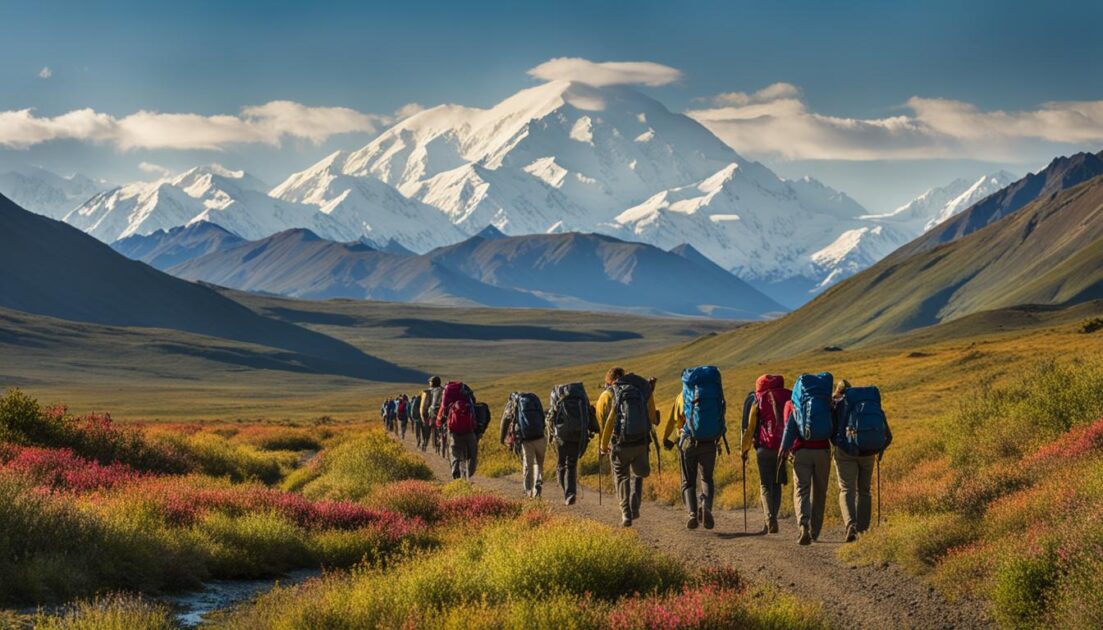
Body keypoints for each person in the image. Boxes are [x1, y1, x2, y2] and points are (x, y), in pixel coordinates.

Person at [661, 366, 725, 531]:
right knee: (707, 478)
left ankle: (692, 514)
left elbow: (671, 420)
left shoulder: (682, 397)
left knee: (688, 481)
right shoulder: (712, 394)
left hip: (688, 443)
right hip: (710, 442)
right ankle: (706, 506)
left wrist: (666, 438)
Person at [831, 380, 892, 542]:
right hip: (868, 452)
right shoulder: (871, 403)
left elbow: (833, 430)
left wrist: (838, 444)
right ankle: (863, 531)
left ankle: (850, 525)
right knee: (864, 491)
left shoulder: (838, 404)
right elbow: (889, 435)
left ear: (839, 391)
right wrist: (879, 449)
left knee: (846, 490)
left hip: (845, 453)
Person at [597, 366, 659, 527]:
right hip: (640, 442)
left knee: (621, 476)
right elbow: (653, 418)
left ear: (609, 381)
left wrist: (603, 446)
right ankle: (635, 502)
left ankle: (626, 513)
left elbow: (606, 422)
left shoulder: (609, 395)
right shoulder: (641, 390)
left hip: (619, 444)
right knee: (638, 473)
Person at [780, 378, 832, 546]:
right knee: (820, 491)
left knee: (802, 490)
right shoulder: (825, 403)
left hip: (801, 452)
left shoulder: (795, 403)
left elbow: (790, 427)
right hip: (822, 451)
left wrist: (784, 448)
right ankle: (815, 531)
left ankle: (803, 525)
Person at [741, 374, 791, 534]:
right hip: (782, 447)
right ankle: (773, 516)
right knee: (776, 484)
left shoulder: (758, 398)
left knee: (765, 485)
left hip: (764, 447)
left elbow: (750, 427)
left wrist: (744, 449)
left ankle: (770, 518)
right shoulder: (788, 395)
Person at [547, 383, 599, 506]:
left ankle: (567, 493)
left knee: (561, 463)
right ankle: (570, 494)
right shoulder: (581, 394)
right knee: (571, 464)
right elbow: (589, 414)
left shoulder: (557, 393)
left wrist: (550, 435)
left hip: (561, 435)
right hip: (578, 433)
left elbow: (551, 416)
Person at [499, 392, 546, 498]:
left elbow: (505, 421)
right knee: (538, 463)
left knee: (528, 465)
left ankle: (529, 492)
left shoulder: (513, 403)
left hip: (526, 439)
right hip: (540, 436)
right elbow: (543, 418)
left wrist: (502, 440)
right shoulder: (535, 399)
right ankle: (538, 483)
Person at [437, 380, 479, 480]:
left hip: (454, 431)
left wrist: (440, 423)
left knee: (454, 450)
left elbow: (441, 413)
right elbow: (474, 406)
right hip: (468, 430)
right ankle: (471, 470)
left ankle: (455, 466)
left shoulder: (446, 394)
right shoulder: (466, 392)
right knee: (474, 451)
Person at [420, 377, 444, 457]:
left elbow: (424, 405)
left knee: (427, 430)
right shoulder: (444, 390)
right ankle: (440, 445)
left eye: (430, 382)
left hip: (432, 414)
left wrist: (423, 415)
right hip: (442, 414)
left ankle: (424, 444)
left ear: (432, 383)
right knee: (440, 429)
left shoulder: (428, 391)